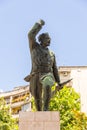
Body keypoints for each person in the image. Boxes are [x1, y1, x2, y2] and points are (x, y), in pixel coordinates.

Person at [24, 19, 61, 111]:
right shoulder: (34, 47)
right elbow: (30, 35)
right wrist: (39, 24)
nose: (49, 40)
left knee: (48, 83)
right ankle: (40, 113)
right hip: (35, 74)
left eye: (50, 39)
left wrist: (58, 81)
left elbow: (54, 69)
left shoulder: (52, 53)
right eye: (47, 39)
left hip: (47, 74)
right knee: (37, 98)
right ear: (41, 40)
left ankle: (46, 109)